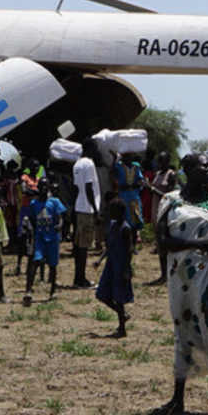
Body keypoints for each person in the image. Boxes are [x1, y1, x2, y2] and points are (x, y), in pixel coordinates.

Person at [150, 153, 208, 415]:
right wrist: (198, 243)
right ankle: (178, 398)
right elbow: (163, 241)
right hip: (180, 279)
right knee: (182, 332)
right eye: (204, 165)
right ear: (187, 169)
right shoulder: (171, 200)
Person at [94, 198, 134, 338]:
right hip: (110, 264)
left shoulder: (125, 228)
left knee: (119, 297)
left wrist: (126, 269)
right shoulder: (111, 225)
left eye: (111, 210)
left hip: (120, 266)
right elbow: (109, 246)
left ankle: (122, 328)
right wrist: (99, 260)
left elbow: (129, 250)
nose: (109, 212)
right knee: (101, 294)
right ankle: (122, 315)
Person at [23, 177, 67, 305]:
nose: (43, 188)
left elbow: (60, 217)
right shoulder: (34, 203)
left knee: (52, 265)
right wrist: (32, 232)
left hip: (53, 237)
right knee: (36, 261)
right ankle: (29, 291)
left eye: (45, 186)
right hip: (40, 237)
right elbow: (31, 218)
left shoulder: (54, 202)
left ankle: (52, 290)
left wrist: (59, 225)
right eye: (41, 186)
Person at [146, 151, 179, 286]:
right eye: (159, 161)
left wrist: (152, 189)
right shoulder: (157, 174)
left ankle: (170, 274)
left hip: (166, 211)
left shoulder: (171, 174)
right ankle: (163, 274)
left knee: (166, 241)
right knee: (160, 243)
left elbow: (168, 195)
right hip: (156, 211)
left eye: (163, 161)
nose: (160, 164)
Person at [71, 142, 101, 289]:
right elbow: (89, 188)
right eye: (95, 148)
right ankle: (81, 279)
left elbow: (76, 188)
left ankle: (78, 277)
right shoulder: (89, 164)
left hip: (78, 207)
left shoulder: (76, 164)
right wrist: (96, 210)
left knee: (78, 246)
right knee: (84, 246)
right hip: (87, 209)